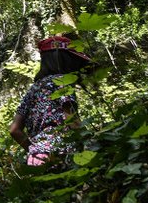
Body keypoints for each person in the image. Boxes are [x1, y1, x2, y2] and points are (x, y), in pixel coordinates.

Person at [9, 35, 92, 166]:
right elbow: (73, 122)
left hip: (36, 159)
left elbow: (14, 130)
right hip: (63, 154)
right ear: (64, 59)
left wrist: (35, 150)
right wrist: (92, 145)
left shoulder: (33, 89)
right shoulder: (62, 82)